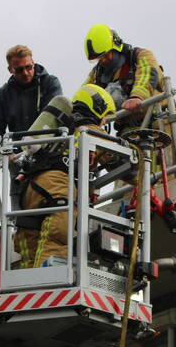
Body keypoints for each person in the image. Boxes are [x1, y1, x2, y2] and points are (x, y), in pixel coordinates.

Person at [14, 84, 116, 268]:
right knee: (56, 239)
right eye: (105, 117)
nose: (104, 123)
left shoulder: (61, 126)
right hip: (59, 188)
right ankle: (46, 289)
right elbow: (122, 161)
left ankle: (25, 291)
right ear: (98, 108)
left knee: (29, 250)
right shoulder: (91, 129)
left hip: (31, 189)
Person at [82, 24, 164, 132]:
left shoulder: (140, 56)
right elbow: (84, 92)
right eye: (99, 58)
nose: (103, 61)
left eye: (106, 55)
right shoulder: (97, 73)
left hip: (159, 122)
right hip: (128, 129)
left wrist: (137, 96)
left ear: (116, 46)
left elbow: (147, 73)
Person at [0, 45, 63, 139]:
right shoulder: (2, 94)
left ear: (33, 63)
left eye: (28, 67)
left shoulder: (50, 83)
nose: (25, 73)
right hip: (18, 152)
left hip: (50, 148)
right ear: (10, 69)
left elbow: (52, 117)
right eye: (19, 70)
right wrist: (4, 152)